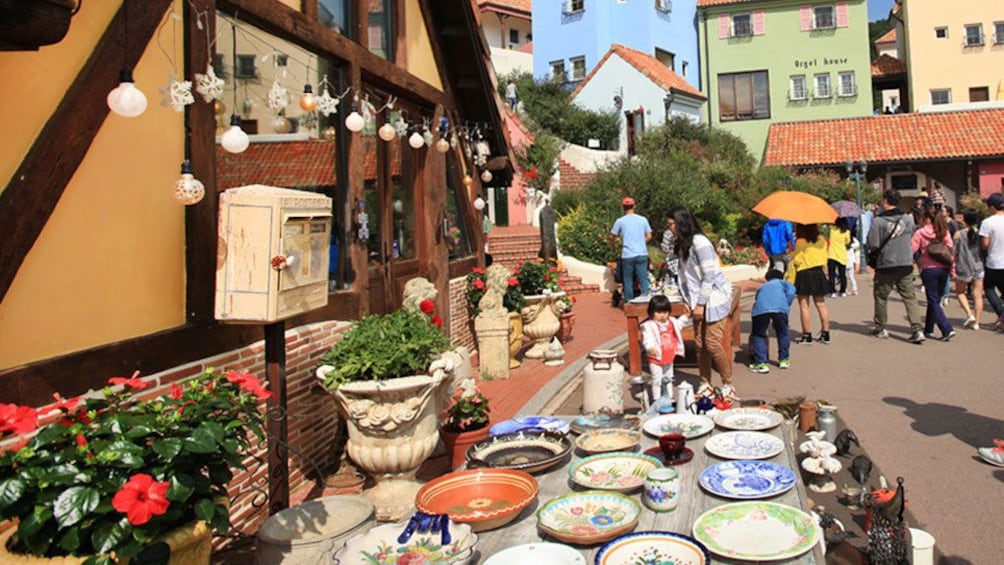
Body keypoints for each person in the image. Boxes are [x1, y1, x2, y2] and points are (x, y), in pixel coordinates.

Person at [668, 206, 736, 399]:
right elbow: (685, 277)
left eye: (671, 224)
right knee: (699, 344)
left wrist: (700, 303)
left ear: (681, 223)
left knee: (712, 343)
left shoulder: (700, 243)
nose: (670, 228)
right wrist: (688, 300)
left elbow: (709, 275)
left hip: (713, 298)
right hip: (697, 299)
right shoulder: (682, 244)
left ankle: (728, 383)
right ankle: (705, 382)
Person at [867, 189, 924, 343]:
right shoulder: (908, 219)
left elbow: (873, 243)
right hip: (905, 262)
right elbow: (911, 234)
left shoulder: (878, 221)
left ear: (885, 200)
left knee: (881, 296)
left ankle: (881, 327)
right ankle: (917, 329)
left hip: (886, 263)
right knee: (910, 297)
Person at [911, 207, 955, 341]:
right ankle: (929, 328)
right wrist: (953, 268)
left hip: (928, 268)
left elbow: (912, 249)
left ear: (926, 219)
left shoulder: (920, 232)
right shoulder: (943, 231)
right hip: (944, 268)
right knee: (935, 299)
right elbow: (951, 250)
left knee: (933, 300)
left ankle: (946, 328)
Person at [640, 295, 686, 412]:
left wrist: (685, 317)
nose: (662, 315)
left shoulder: (671, 322)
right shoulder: (649, 325)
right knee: (657, 379)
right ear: (651, 312)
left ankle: (669, 397)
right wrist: (649, 347)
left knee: (668, 378)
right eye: (659, 312)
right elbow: (647, 338)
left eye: (665, 312)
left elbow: (679, 325)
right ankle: (656, 399)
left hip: (669, 355)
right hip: (656, 358)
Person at [787, 224, 831, 344]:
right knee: (821, 304)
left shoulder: (801, 241)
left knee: (804, 305)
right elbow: (825, 257)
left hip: (804, 273)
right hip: (818, 273)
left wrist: (791, 250)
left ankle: (807, 335)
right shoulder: (821, 239)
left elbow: (797, 260)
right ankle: (825, 333)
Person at [748, 269, 796, 374]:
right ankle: (783, 360)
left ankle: (761, 363)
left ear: (767, 279)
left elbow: (758, 299)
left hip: (761, 310)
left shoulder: (762, 286)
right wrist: (786, 305)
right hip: (780, 309)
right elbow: (792, 293)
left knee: (759, 334)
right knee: (783, 332)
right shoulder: (784, 283)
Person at [610, 196, 652, 302]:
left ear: (623, 207)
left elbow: (612, 236)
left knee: (627, 280)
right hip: (642, 253)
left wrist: (614, 246)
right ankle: (645, 300)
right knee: (643, 279)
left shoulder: (620, 221)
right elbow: (649, 236)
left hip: (627, 254)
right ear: (634, 206)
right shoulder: (643, 219)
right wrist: (642, 242)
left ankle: (629, 302)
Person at [953, 210, 985, 330]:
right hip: (978, 266)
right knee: (978, 295)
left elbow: (954, 252)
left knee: (960, 292)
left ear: (964, 220)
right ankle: (977, 322)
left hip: (963, 266)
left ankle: (969, 314)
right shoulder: (980, 233)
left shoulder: (958, 234)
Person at [979, 193, 1004, 330]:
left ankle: (1001, 314)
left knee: (989, 289)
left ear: (993, 207)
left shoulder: (987, 222)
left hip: (994, 262)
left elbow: (985, 244)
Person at [827, 218, 852, 297]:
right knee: (842, 274)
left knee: (831, 274)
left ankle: (832, 291)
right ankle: (843, 291)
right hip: (842, 254)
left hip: (832, 254)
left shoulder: (832, 230)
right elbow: (847, 242)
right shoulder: (847, 232)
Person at [659, 215, 680, 286]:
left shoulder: (667, 233)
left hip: (672, 264)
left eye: (670, 224)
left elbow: (665, 249)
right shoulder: (686, 233)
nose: (669, 226)